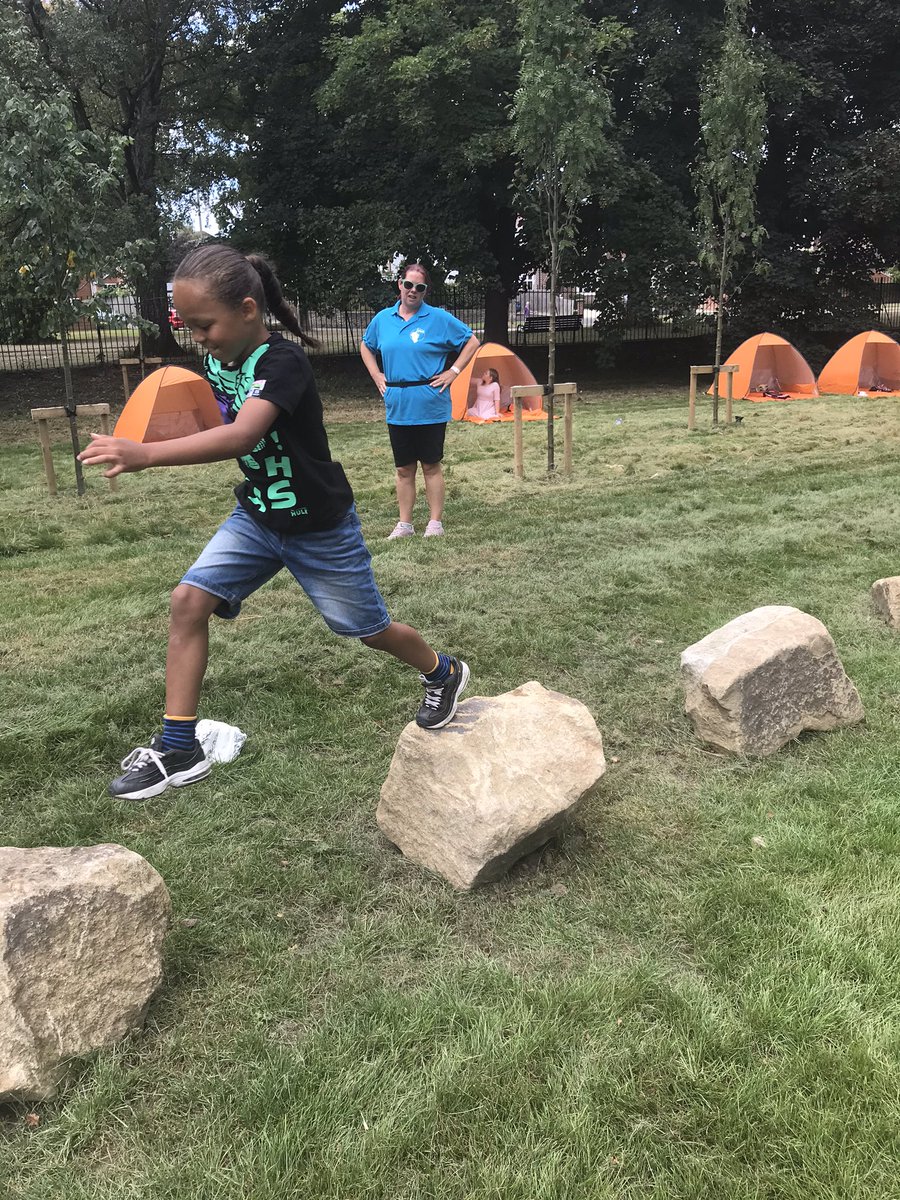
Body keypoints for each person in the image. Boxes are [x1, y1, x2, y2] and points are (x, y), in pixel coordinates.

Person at [78, 244, 469, 802]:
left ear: (247, 310)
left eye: (203, 325)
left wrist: (144, 454)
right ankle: (179, 746)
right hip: (258, 516)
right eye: (186, 326)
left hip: (319, 528)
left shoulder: (284, 363)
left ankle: (441, 671)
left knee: (368, 630)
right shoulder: (220, 358)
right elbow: (221, 419)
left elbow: (243, 434)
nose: (197, 338)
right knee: (188, 602)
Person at [359, 263, 480, 539]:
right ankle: (405, 524)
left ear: (426, 291)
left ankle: (435, 523)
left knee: (430, 464)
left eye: (420, 287)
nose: (413, 291)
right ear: (400, 284)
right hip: (398, 404)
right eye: (408, 285)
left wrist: (454, 371)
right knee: (403, 468)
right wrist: (376, 374)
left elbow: (471, 342)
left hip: (430, 403)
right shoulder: (382, 319)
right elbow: (366, 345)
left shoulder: (438, 318)